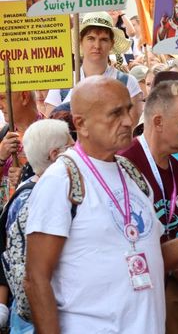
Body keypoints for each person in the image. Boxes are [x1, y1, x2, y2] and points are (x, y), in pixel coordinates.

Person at [24, 76, 178, 334]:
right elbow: (35, 278)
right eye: (115, 113)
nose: (129, 121)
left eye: (129, 110)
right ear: (81, 124)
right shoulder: (61, 180)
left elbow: (151, 257)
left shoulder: (132, 175)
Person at [119, 78, 178, 334]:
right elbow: (118, 243)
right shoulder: (123, 166)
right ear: (157, 121)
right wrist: (175, 265)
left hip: (172, 303)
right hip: (131, 303)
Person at [2, 119, 73, 334]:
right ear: (54, 155)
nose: (77, 151)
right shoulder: (34, 199)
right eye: (70, 146)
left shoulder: (33, 188)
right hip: (36, 319)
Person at [44, 12, 143, 126]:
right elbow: (51, 131)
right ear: (80, 41)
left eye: (103, 39)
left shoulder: (128, 83)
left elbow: (131, 130)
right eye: (91, 38)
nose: (97, 45)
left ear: (112, 43)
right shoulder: (63, 83)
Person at [0, 91, 43, 202]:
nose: (0, 105)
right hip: (7, 215)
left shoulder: (50, 135)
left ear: (24, 97)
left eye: (3, 98)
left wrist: (27, 178)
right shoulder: (4, 134)